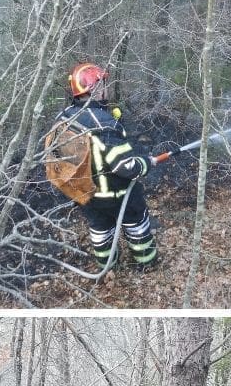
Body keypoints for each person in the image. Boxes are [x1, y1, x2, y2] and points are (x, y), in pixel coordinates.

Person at [56, 63, 159, 269]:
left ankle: (108, 266)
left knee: (100, 229)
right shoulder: (104, 124)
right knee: (136, 225)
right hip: (117, 193)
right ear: (94, 88)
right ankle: (146, 264)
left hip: (85, 193)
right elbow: (127, 167)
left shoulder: (65, 117)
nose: (106, 87)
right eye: (103, 83)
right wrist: (146, 163)